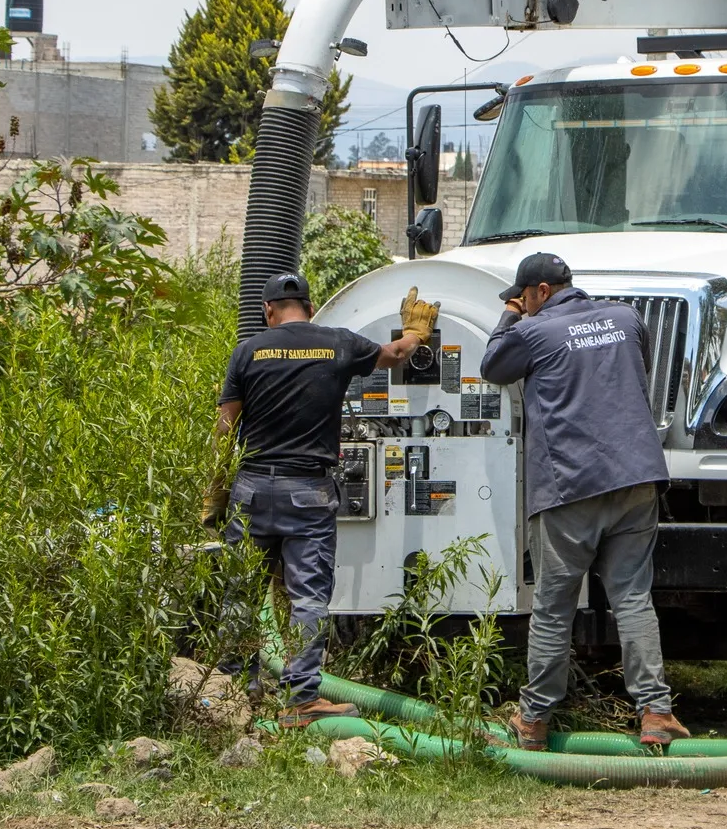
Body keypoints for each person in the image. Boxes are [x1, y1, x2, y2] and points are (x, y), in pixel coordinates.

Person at [478, 251, 688, 750]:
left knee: (553, 607)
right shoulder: (625, 317)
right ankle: (656, 713)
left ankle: (533, 722)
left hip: (570, 486)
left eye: (523, 296)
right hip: (636, 479)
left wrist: (510, 314)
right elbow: (633, 371)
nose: (522, 305)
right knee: (634, 598)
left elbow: (492, 367)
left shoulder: (532, 331)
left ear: (541, 292)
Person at [213, 270, 439, 727]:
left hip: (252, 488)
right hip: (309, 492)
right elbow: (395, 355)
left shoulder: (247, 351)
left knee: (239, 593)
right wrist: (415, 332)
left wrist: (214, 493)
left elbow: (223, 427)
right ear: (311, 309)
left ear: (268, 311)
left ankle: (232, 693)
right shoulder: (337, 342)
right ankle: (301, 700)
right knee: (308, 597)